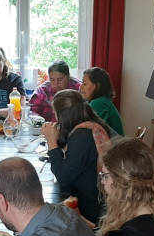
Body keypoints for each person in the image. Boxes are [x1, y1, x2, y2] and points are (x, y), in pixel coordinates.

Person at [41, 89, 112, 224]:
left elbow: (63, 177)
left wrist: (51, 143)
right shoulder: (88, 124)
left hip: (90, 207)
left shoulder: (82, 136)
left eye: (56, 114)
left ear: (63, 116)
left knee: (45, 215)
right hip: (91, 195)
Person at [80, 67, 124, 135]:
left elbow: (90, 132)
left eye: (85, 84)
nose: (81, 87)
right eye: (81, 83)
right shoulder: (101, 100)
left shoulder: (98, 103)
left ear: (97, 86)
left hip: (115, 145)